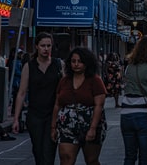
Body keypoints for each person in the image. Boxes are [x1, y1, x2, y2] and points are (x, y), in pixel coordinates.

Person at [12, 32, 63, 165]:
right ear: (37, 47)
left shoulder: (58, 65)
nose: (46, 49)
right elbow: (22, 93)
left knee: (49, 151)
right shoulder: (29, 66)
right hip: (35, 115)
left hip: (53, 114)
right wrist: (16, 119)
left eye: (49, 46)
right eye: (43, 46)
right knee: (38, 150)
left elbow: (65, 89)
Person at [51, 47, 107, 165]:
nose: (76, 64)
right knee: (66, 158)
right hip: (66, 126)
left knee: (91, 160)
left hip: (90, 124)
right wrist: (53, 127)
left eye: (80, 61)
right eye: (73, 61)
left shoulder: (95, 80)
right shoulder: (64, 81)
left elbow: (99, 105)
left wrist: (92, 129)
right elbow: (57, 104)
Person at [120, 35, 147, 165]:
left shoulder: (129, 67)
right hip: (145, 113)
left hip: (126, 113)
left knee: (129, 156)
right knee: (145, 156)